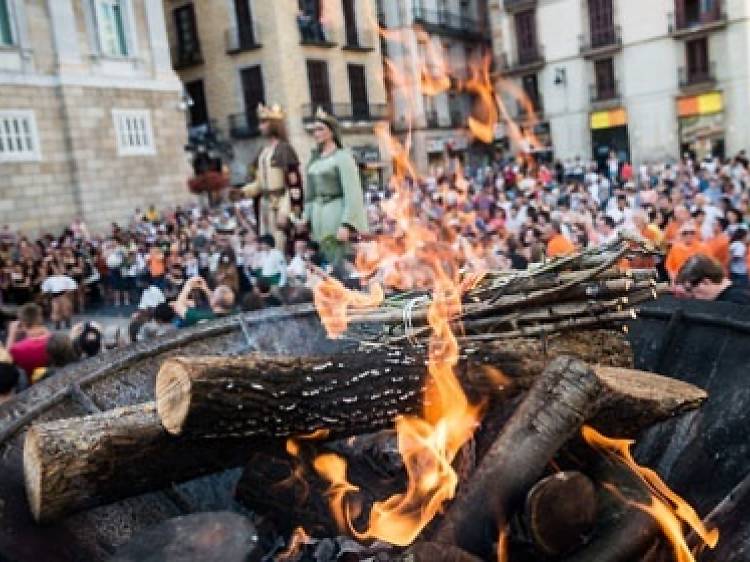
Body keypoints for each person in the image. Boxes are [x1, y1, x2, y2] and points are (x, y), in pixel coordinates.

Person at [241, 103, 303, 251]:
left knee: (280, 246)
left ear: (274, 125)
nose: (260, 127)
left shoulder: (284, 149)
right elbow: (259, 183)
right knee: (266, 246)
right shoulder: (263, 152)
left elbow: (294, 185)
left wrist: (285, 211)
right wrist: (243, 192)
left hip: (280, 203)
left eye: (264, 122)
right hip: (265, 206)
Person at [304, 107, 368, 244]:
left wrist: (346, 224)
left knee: (338, 256)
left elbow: (353, 194)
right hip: (318, 214)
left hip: (336, 211)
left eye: (320, 129)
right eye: (314, 130)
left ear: (331, 131)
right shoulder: (314, 160)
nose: (316, 133)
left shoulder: (342, 157)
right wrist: (306, 217)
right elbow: (310, 195)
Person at [677, 254, 750, 304]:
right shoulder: (741, 289)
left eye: (690, 290)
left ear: (705, 282)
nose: (694, 297)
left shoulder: (735, 302)